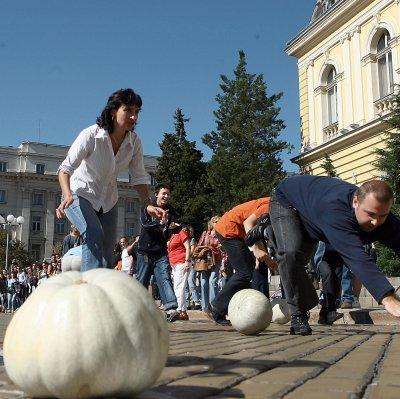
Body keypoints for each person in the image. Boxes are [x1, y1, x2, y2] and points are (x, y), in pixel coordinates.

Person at [269, 175, 400, 336]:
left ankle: (317, 305)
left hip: (314, 215)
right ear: (355, 202)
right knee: (290, 254)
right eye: (370, 214)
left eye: (382, 215)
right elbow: (356, 257)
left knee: (311, 261)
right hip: (287, 200)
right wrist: (388, 297)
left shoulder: (385, 219)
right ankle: (298, 314)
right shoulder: (335, 210)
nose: (375, 222)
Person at [56, 88, 165, 271]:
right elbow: (65, 169)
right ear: (114, 111)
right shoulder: (91, 135)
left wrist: (147, 203)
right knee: (93, 232)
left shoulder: (134, 142)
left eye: (137, 112)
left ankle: (99, 285)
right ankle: (92, 291)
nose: (134, 117)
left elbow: (139, 177)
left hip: (108, 200)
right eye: (128, 110)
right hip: (78, 195)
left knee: (107, 255)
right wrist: (66, 194)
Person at [204, 198, 276, 325]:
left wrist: (267, 259)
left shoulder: (274, 204)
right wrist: (255, 249)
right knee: (245, 273)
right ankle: (215, 307)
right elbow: (248, 223)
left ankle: (228, 309)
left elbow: (256, 232)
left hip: (236, 233)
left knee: (250, 272)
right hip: (229, 231)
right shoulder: (270, 205)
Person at [136, 183, 180, 322]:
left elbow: (174, 227)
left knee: (164, 277)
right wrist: (160, 223)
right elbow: (145, 225)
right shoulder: (148, 206)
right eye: (163, 193)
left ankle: (170, 308)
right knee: (141, 281)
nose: (166, 196)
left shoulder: (170, 210)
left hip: (160, 252)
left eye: (168, 194)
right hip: (145, 251)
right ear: (157, 194)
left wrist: (174, 227)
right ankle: (135, 308)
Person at [197, 216, 222, 312]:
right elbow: (199, 245)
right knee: (203, 283)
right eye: (216, 222)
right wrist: (204, 249)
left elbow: (223, 247)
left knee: (212, 281)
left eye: (219, 222)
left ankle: (213, 306)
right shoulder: (205, 233)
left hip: (216, 260)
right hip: (205, 260)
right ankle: (205, 307)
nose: (217, 223)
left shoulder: (221, 234)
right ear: (211, 223)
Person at [168, 226, 191, 320]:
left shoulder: (182, 233)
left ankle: (179, 310)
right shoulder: (173, 235)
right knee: (178, 287)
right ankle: (183, 311)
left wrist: (187, 261)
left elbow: (188, 247)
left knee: (179, 287)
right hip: (174, 264)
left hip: (181, 262)